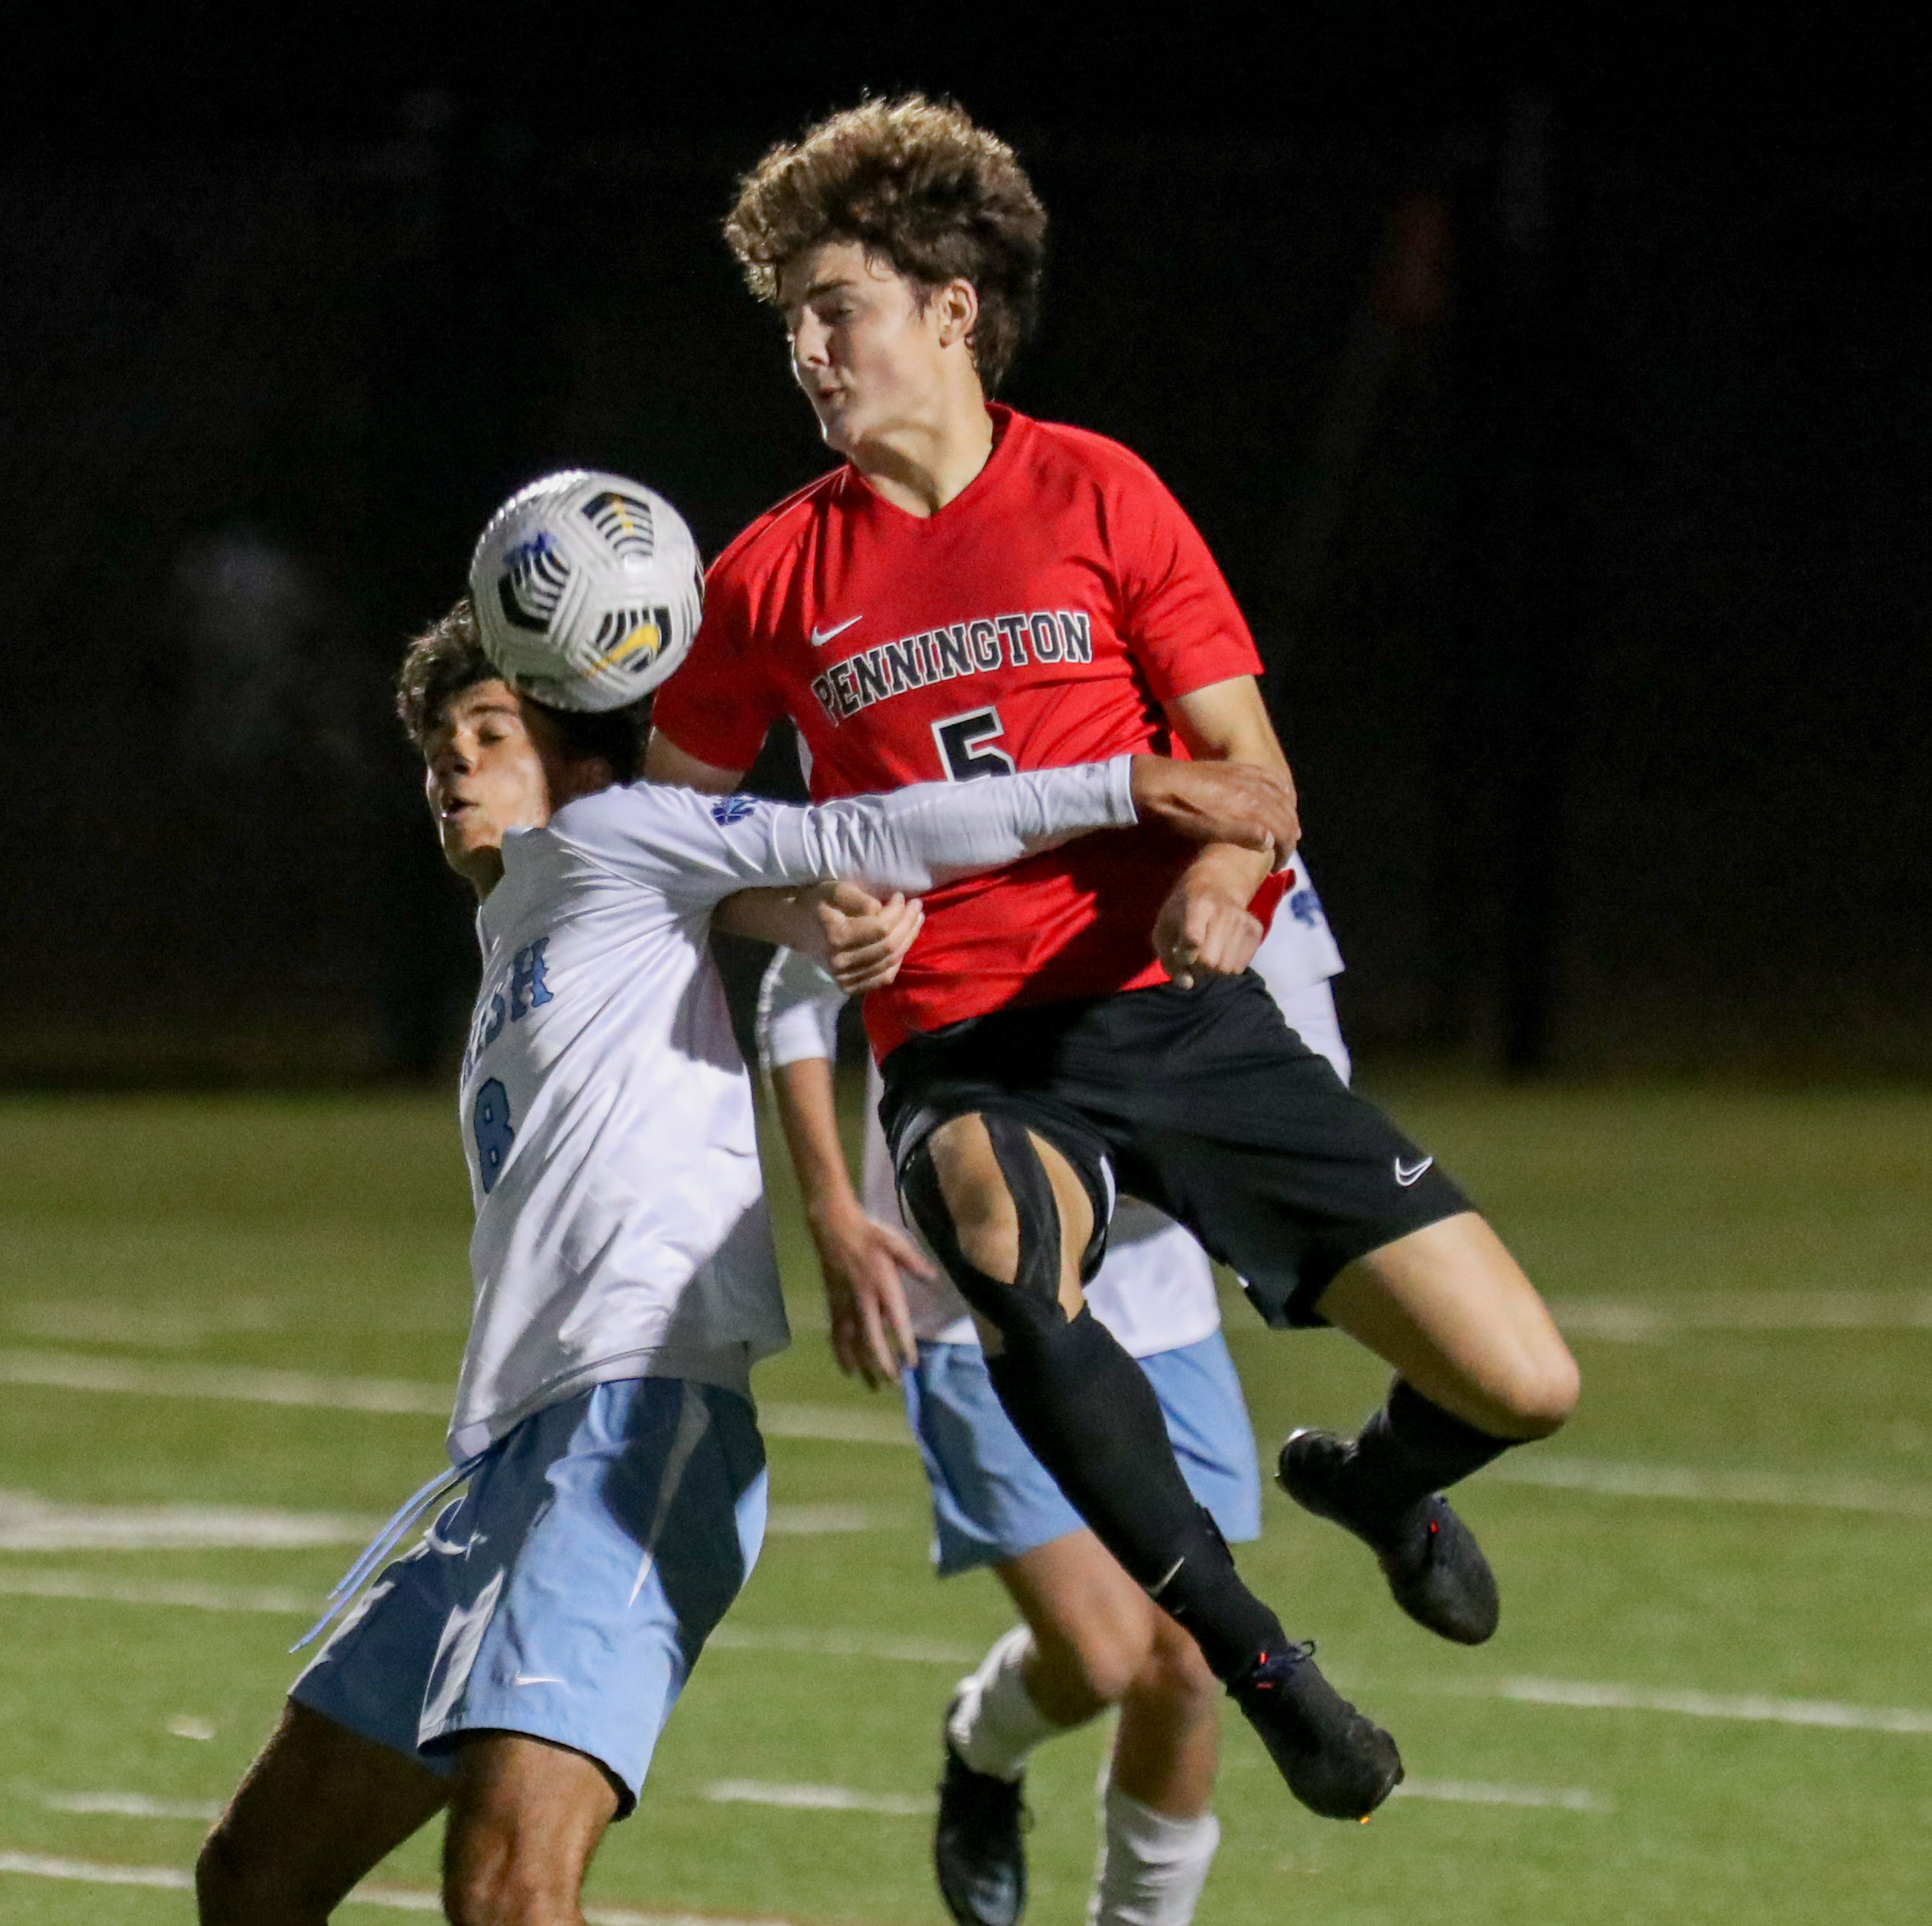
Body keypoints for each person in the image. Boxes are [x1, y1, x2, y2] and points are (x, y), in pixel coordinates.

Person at [644, 97, 1582, 1824]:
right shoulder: (767, 575)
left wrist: (1225, 881)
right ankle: (1264, 1668)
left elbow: (1252, 776)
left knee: (1525, 1382)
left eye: (831, 302)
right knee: (1001, 1235)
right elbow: (667, 854)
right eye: (787, 314)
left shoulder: (1099, 492)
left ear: (948, 309)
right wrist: (802, 906)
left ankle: (1377, 1483)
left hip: (1174, 1018)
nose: (804, 344)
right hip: (966, 1053)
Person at [195, 598, 1296, 1926]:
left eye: (490, 731)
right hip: (510, 1458)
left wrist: (1134, 779)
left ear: (580, 755)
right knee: (252, 1878)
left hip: (634, 1428)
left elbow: (867, 831)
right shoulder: (527, 923)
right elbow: (797, 902)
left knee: (505, 1893)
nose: (451, 764)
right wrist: (818, 925)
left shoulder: (610, 832)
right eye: (437, 743)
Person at [760, 855, 1351, 1926]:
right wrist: (834, 1210)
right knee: (1101, 1650)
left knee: (1185, 1660)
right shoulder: (940, 803)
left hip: (1163, 1308)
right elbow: (795, 995)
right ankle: (982, 1744)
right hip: (976, 1303)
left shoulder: (1238, 841)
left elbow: (1320, 1056)